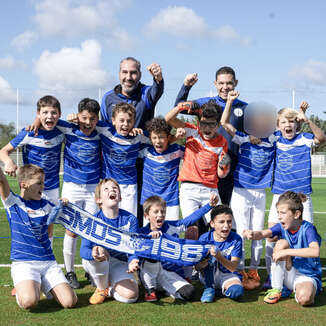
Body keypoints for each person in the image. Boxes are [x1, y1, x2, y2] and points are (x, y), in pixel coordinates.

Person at [220, 90, 278, 289]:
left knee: (257, 234)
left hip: (260, 192)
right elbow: (224, 124)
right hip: (241, 191)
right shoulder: (243, 138)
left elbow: (289, 128)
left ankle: (253, 270)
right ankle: (241, 269)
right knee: (242, 233)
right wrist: (229, 101)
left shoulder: (273, 140)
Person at [264, 102, 326, 288]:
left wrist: (307, 119)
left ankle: (307, 273)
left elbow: (321, 138)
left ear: (297, 124)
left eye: (291, 121)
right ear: (278, 125)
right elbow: (257, 136)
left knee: (307, 236)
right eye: (283, 121)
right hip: (279, 197)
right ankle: (272, 275)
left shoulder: (305, 138)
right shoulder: (275, 139)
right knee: (271, 237)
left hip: (302, 198)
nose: (287, 125)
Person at [0, 164, 77, 309]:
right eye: (39, 183)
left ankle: (42, 285)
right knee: (29, 302)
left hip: (48, 263)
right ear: (24, 185)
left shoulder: (48, 206)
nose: (43, 186)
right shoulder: (13, 202)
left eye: (43, 182)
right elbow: (2, 180)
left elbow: (65, 223)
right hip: (24, 263)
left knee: (69, 302)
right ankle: (24, 288)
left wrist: (66, 206)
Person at [101, 57, 164, 225]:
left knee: (139, 211)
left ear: (140, 75)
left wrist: (158, 78)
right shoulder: (108, 99)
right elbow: (104, 129)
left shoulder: (145, 93)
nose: (129, 77)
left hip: (142, 163)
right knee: (110, 211)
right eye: (125, 72)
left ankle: (139, 248)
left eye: (133, 73)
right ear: (119, 73)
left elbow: (157, 91)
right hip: (116, 164)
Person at [174, 67, 247, 205]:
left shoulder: (244, 108)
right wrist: (186, 86)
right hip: (205, 171)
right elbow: (179, 106)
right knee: (201, 218)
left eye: (229, 83)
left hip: (229, 168)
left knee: (224, 214)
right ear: (215, 84)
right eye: (221, 83)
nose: (225, 87)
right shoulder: (206, 104)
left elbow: (251, 137)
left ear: (235, 83)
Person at [0, 95, 64, 246]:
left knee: (48, 227)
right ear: (38, 114)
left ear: (59, 115)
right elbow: (3, 151)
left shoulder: (61, 131)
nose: (50, 116)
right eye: (45, 112)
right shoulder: (28, 133)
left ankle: (46, 257)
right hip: (30, 188)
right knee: (30, 225)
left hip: (52, 188)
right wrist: (8, 162)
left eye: (54, 113)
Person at [243, 191, 322, 306]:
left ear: (296, 214)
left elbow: (315, 251)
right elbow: (264, 233)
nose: (279, 217)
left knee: (305, 299)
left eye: (283, 213)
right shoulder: (281, 226)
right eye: (278, 213)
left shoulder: (308, 228)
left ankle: (298, 290)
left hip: (306, 275)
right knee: (281, 243)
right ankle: (277, 288)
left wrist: (286, 252)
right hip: (288, 271)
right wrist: (253, 234)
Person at [165, 100, 230, 236]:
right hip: (189, 189)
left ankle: (215, 257)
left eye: (211, 124)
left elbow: (222, 174)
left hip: (210, 189)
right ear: (198, 123)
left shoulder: (222, 142)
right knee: (191, 228)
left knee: (220, 226)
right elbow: (168, 119)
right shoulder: (192, 131)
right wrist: (181, 106)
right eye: (203, 123)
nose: (206, 128)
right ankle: (191, 257)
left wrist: (224, 165)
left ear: (218, 125)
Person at [56, 98, 101, 289]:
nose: (88, 122)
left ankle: (89, 270)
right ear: (78, 116)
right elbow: (46, 119)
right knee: (71, 230)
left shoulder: (101, 132)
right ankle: (69, 272)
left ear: (97, 118)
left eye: (92, 118)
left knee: (91, 231)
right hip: (72, 187)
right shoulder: (68, 128)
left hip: (93, 188)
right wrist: (68, 117)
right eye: (84, 118)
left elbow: (119, 127)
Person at [139, 193, 218, 302]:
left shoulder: (172, 226)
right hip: (150, 273)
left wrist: (209, 206)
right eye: (156, 212)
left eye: (163, 211)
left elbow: (190, 219)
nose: (160, 215)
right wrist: (148, 239)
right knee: (151, 257)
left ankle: (167, 288)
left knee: (190, 293)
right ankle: (150, 289)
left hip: (168, 274)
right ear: (146, 216)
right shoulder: (141, 232)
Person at [80, 178, 140, 304]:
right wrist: (94, 254)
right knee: (100, 250)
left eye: (115, 188)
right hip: (96, 262)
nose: (111, 190)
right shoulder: (92, 220)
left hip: (118, 263)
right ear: (99, 200)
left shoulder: (130, 220)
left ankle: (110, 288)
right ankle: (101, 288)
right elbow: (83, 251)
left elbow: (134, 247)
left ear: (120, 197)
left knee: (131, 296)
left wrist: (133, 260)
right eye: (106, 189)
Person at [96, 103, 150, 216]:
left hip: (129, 186)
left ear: (134, 122)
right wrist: (74, 117)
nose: (125, 124)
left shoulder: (139, 136)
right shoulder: (105, 130)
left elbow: (159, 137)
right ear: (113, 120)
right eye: (121, 120)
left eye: (129, 121)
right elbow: (86, 121)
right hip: (108, 185)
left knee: (128, 222)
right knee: (108, 221)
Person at [140, 117, 184, 223]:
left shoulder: (177, 151)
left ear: (169, 137)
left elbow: (195, 153)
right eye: (154, 138)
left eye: (161, 137)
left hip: (171, 201)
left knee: (172, 236)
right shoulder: (144, 151)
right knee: (150, 235)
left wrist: (182, 132)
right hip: (149, 202)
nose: (158, 141)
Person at [196, 205, 244, 303]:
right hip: (208, 275)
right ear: (212, 224)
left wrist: (219, 256)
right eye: (221, 222)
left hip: (227, 275)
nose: (226, 226)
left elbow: (233, 267)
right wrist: (205, 262)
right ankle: (209, 287)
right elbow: (197, 267)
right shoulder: (204, 238)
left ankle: (215, 291)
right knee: (211, 250)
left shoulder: (236, 239)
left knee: (237, 292)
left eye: (229, 221)